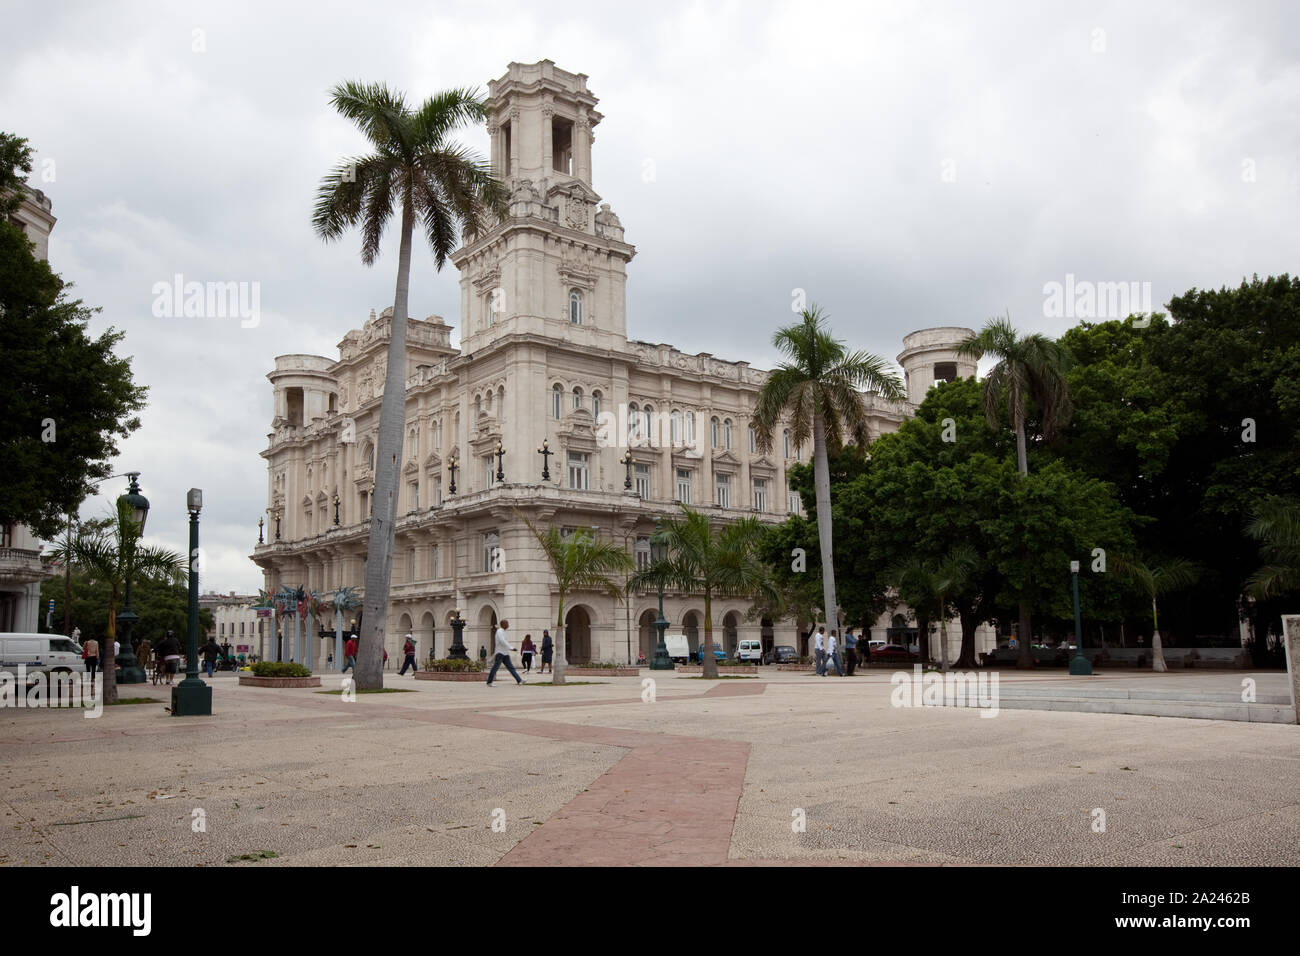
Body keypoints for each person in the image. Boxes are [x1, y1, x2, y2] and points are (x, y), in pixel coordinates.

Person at [486, 619, 525, 686]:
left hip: (505, 653)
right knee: (495, 668)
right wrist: (511, 648)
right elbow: (502, 641)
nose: (508, 624)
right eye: (507, 623)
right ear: (503, 624)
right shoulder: (499, 631)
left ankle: (519, 680)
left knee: (511, 668)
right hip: (500, 653)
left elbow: (504, 641)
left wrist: (509, 648)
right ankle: (489, 682)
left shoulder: (504, 631)